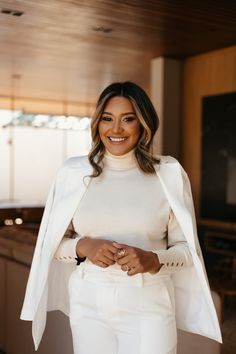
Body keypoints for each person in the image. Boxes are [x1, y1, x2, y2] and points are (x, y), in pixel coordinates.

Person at [21, 81, 222, 354]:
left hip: (149, 302)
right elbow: (50, 245)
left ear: (143, 124)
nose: (115, 130)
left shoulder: (169, 173)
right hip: (89, 300)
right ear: (97, 123)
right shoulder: (72, 173)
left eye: (128, 119)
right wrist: (85, 246)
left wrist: (154, 259)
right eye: (107, 119)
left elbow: (188, 250)